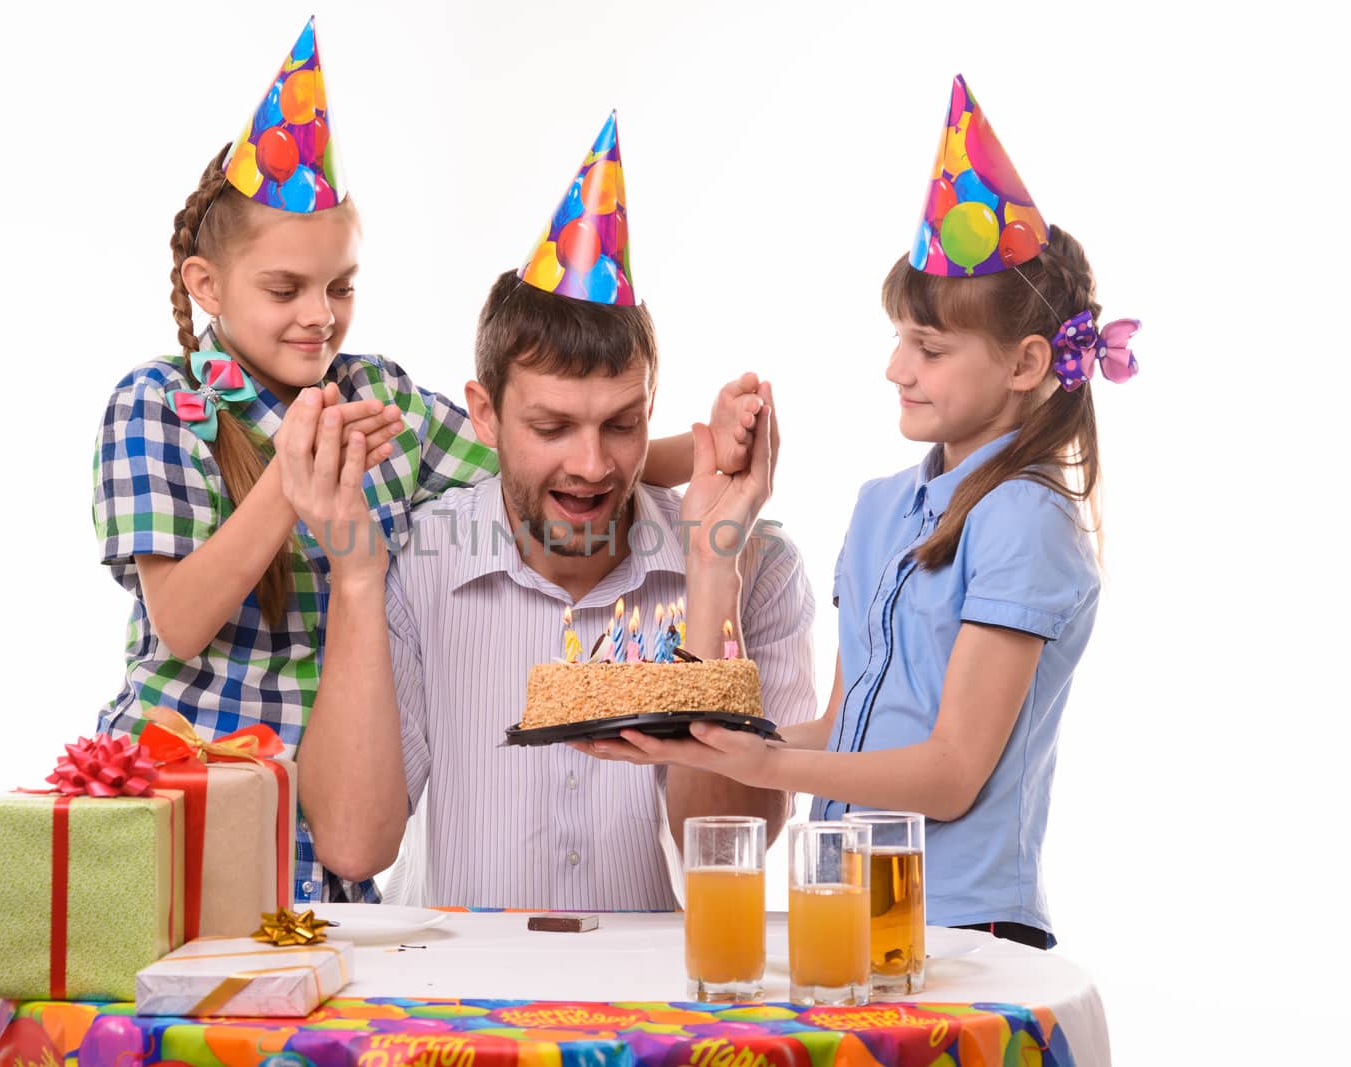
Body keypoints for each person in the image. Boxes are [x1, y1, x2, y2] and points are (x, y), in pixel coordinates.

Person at [91, 30, 765, 904]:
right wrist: (292, 494)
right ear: (206, 286)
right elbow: (177, 620)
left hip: (324, 811)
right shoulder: (160, 405)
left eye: (340, 286)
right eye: (285, 289)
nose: (319, 316)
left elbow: (539, 457)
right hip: (185, 797)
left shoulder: (379, 396)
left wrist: (701, 451)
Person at [582, 77, 1139, 947]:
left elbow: (953, 773)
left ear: (1028, 362)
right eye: (898, 339)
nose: (896, 368)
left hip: (962, 924)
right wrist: (705, 734)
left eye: (929, 348)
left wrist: (767, 760)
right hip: (843, 903)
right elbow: (849, 727)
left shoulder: (1025, 519)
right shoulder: (883, 508)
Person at [292, 114, 818, 909]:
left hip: (656, 1018)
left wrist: (712, 572)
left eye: (621, 423)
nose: (593, 464)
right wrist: (357, 579)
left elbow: (722, 854)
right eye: (551, 427)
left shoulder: (758, 567)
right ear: (486, 415)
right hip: (459, 1009)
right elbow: (353, 845)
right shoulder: (419, 557)